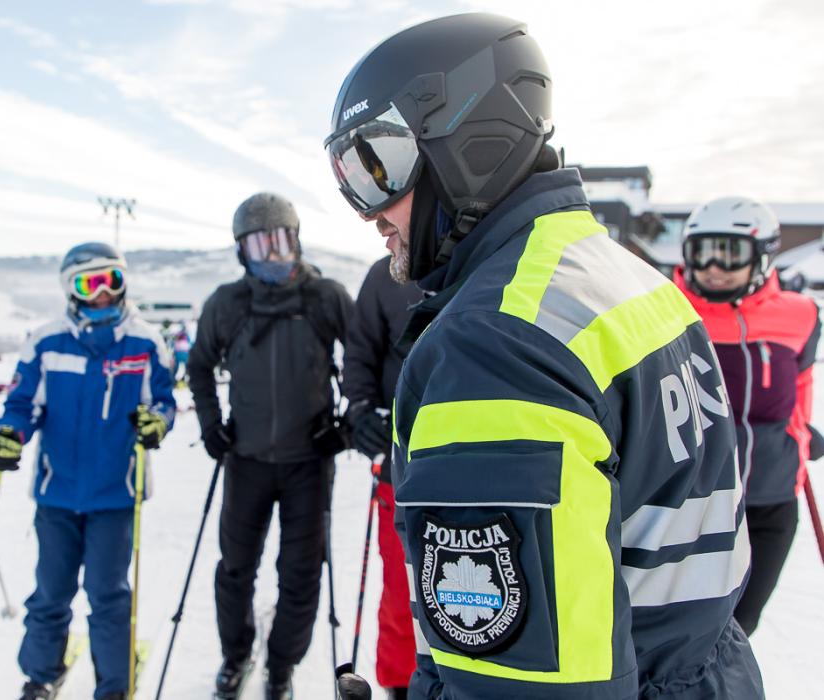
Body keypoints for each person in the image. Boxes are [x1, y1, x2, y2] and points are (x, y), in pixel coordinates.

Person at [324, 13, 762, 699]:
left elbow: (530, 684)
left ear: (467, 143)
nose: (367, 210)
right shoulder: (631, 280)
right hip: (704, 672)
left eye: (378, 167)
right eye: (350, 176)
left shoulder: (494, 344)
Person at [0, 242, 175, 700]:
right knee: (51, 590)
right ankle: (41, 673)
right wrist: (10, 433)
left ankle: (114, 684)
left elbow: (163, 401)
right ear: (71, 289)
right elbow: (23, 404)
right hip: (58, 492)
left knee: (108, 593)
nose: (103, 292)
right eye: (90, 283)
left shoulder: (144, 341)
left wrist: (156, 422)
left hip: (116, 491)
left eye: (112, 280)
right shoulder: (46, 341)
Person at [187, 192, 354, 700]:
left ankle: (281, 665)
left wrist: (346, 428)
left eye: (282, 240)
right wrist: (211, 426)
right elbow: (198, 367)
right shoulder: (227, 304)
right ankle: (236, 655)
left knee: (300, 574)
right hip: (247, 460)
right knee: (235, 568)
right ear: (242, 252)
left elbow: (366, 362)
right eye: (260, 245)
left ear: (298, 240)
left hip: (309, 462)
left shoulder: (325, 298)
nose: (274, 254)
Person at [675, 196, 820, 636]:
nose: (713, 266)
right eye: (702, 252)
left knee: (741, 625)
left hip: (769, 500)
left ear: (762, 255)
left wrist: (801, 439)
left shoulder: (800, 316)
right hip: (691, 505)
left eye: (730, 252)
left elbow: (800, 390)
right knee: (686, 632)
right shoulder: (666, 311)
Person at [342, 255, 422, 698]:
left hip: (482, 461)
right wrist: (360, 412)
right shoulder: (385, 275)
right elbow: (359, 356)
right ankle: (400, 684)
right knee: (401, 587)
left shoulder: (490, 260)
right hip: (401, 467)